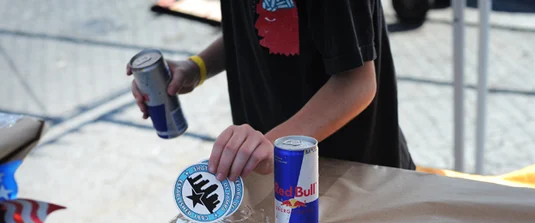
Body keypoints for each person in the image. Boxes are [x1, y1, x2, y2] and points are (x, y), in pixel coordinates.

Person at [127, 0, 415, 182]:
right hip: (280, 171)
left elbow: (357, 84)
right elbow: (254, 22)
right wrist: (196, 68)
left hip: (355, 178)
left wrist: (271, 144)